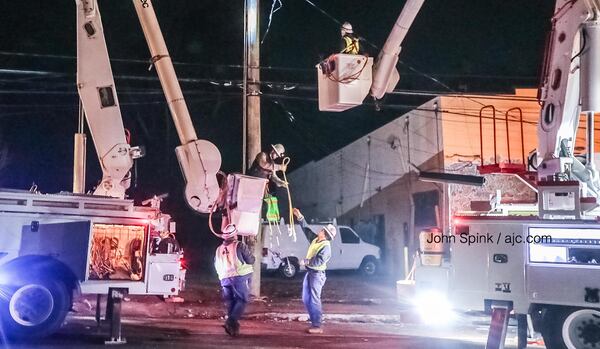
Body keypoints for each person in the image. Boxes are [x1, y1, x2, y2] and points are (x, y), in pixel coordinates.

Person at [292, 208, 337, 334]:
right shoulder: (315, 239)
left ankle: (317, 325)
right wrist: (300, 216)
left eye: (323, 230)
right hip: (310, 273)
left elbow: (318, 261)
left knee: (314, 299)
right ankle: (313, 319)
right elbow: (306, 229)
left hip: (317, 275)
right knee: (306, 298)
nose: (320, 230)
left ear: (325, 234)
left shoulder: (326, 247)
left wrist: (305, 261)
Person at [214, 224, 255, 337]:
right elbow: (251, 260)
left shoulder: (219, 249)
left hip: (224, 279)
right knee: (242, 300)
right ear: (235, 234)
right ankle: (231, 321)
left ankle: (233, 328)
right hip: (239, 277)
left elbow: (216, 264)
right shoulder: (239, 245)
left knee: (231, 301)